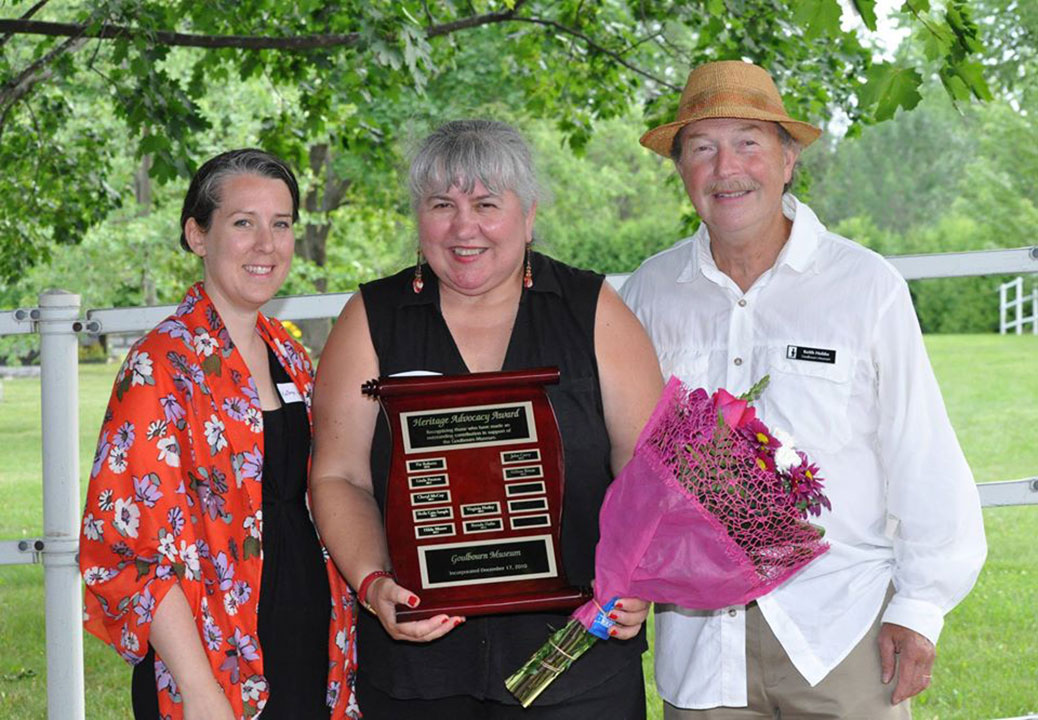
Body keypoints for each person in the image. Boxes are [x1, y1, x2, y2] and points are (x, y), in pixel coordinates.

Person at [620, 60, 987, 719]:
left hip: (840, 634)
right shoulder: (651, 292)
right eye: (702, 148)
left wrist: (921, 605)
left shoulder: (864, 287)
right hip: (701, 644)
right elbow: (631, 453)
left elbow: (920, 448)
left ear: (788, 159)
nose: (726, 168)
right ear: (681, 170)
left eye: (748, 144)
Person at [309, 119, 664, 719]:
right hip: (418, 670)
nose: (463, 226)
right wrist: (373, 586)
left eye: (486, 204)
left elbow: (647, 465)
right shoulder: (372, 318)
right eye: (442, 204)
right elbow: (340, 477)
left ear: (528, 216)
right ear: (419, 219)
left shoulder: (593, 310)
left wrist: (633, 577)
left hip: (575, 661)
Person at [80, 149, 359, 720]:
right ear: (197, 235)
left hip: (310, 651)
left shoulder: (291, 355)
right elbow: (133, 553)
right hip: (214, 669)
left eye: (280, 224)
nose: (267, 244)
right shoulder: (161, 366)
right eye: (243, 223)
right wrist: (200, 690)